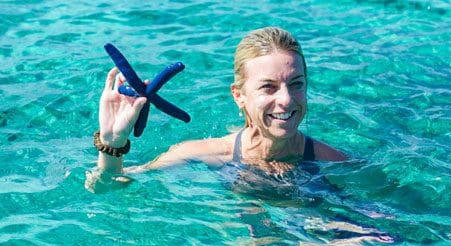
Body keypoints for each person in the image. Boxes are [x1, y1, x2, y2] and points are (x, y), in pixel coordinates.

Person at [86, 27, 347, 191]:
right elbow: (106, 186)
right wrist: (112, 142)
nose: (287, 100)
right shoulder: (201, 153)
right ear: (239, 95)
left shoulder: (333, 160)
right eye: (268, 87)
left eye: (296, 84)